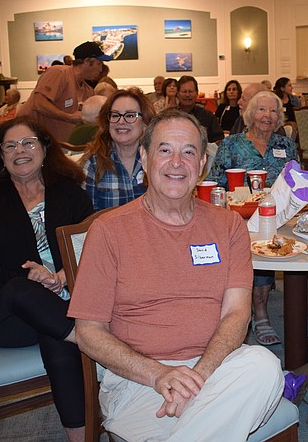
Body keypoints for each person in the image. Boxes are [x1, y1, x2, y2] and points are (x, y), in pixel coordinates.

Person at [68, 109, 284, 441]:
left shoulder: (228, 227)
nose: (176, 162)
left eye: (188, 152)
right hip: (138, 378)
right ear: (144, 157)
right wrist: (159, 375)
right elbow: (88, 333)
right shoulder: (108, 231)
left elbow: (238, 314)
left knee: (264, 365)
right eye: (165, 150)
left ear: (201, 165)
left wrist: (196, 377)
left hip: (217, 370)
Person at [0, 117, 94, 442]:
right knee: (23, 289)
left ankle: (80, 438)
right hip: (6, 317)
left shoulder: (69, 193)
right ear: (1, 156)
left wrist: (64, 274)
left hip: (60, 310)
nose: (20, 151)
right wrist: (28, 275)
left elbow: (93, 247)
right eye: (11, 145)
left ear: (44, 149)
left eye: (28, 143)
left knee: (57, 336)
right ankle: (91, 341)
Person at [207, 92, 298, 346]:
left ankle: (261, 309)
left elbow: (296, 182)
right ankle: (259, 312)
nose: (267, 116)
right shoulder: (231, 144)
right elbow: (216, 185)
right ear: (250, 114)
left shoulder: (286, 146)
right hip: (240, 218)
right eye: (261, 110)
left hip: (280, 217)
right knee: (255, 242)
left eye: (273, 111)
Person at [81, 88, 155, 211]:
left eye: (130, 115)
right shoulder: (93, 164)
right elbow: (87, 219)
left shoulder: (157, 160)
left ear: (145, 123)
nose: (121, 121)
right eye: (115, 115)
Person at [19, 41, 107, 142]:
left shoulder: (88, 91)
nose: (101, 69)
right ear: (87, 61)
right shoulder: (59, 73)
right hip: (29, 138)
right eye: (99, 64)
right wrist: (68, 117)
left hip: (57, 146)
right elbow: (38, 103)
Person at [177, 75, 224, 144]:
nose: (187, 95)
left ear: (196, 93)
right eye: (184, 91)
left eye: (190, 91)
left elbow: (219, 140)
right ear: (178, 94)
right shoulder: (170, 116)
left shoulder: (208, 116)